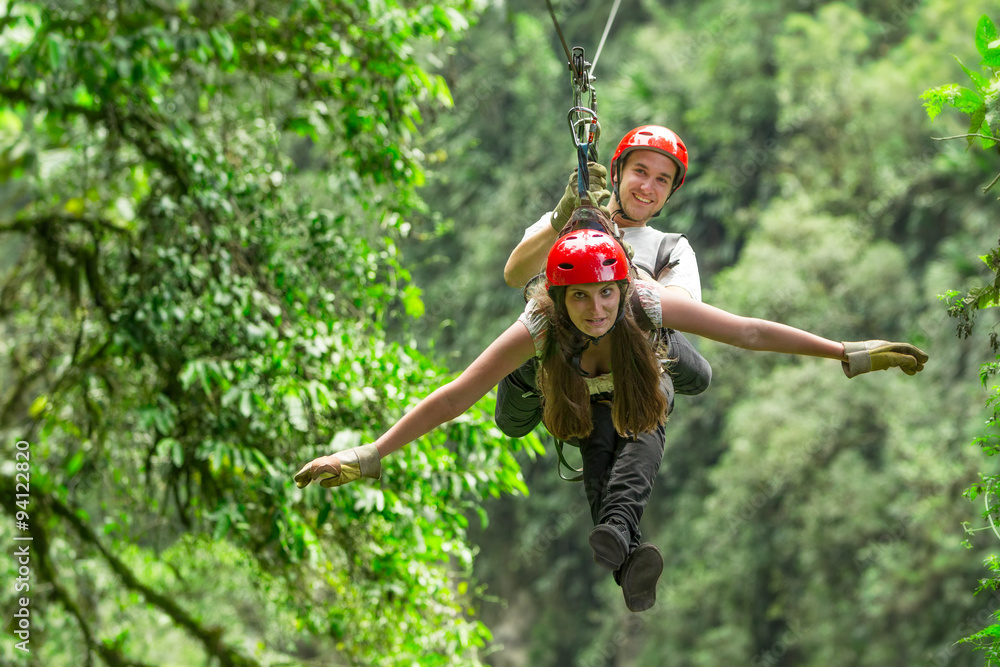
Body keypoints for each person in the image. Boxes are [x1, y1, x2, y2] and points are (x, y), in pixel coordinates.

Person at [294, 208, 928, 612]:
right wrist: (368, 454)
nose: (597, 310)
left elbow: (749, 332)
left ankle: (624, 553)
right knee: (598, 452)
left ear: (623, 287)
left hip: (628, 393)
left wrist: (848, 352)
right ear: (559, 297)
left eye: (606, 295)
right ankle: (622, 543)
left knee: (639, 445)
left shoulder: (648, 305)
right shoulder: (538, 324)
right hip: (564, 396)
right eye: (582, 300)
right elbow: (458, 393)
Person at [496, 125, 710, 439]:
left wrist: (628, 272)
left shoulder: (670, 247)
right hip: (561, 355)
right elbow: (515, 275)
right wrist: (562, 218)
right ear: (617, 173)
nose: (647, 187)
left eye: (661, 180)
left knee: (697, 373)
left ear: (670, 191)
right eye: (640, 171)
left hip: (627, 361)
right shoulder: (566, 223)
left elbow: (678, 309)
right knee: (511, 423)